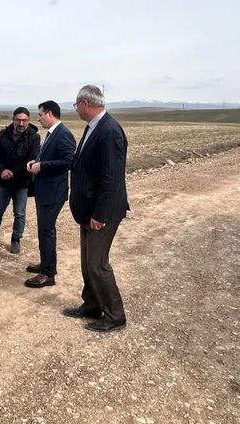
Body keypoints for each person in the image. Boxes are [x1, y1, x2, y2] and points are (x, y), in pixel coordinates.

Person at [65, 85, 130, 333]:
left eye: (76, 104)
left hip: (101, 213)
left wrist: (100, 215)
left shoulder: (109, 130)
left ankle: (115, 315)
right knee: (86, 262)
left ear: (85, 104)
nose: (76, 108)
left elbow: (111, 177)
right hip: (87, 210)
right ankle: (91, 304)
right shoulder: (93, 127)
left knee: (97, 264)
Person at [23, 100, 76, 288]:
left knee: (46, 231)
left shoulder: (63, 134)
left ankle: (48, 274)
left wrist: (42, 166)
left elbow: (69, 161)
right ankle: (45, 264)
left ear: (50, 114)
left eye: (40, 115)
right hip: (45, 191)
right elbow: (48, 157)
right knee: (43, 230)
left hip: (53, 192)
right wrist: (35, 162)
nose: (38, 119)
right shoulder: (52, 133)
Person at [0, 107, 40, 254]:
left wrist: (12, 172)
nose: (21, 123)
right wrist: (2, 170)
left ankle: (16, 239)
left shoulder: (34, 137)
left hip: (22, 183)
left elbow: (32, 159)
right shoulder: (3, 134)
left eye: (24, 120)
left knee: (19, 213)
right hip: (3, 182)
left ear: (28, 121)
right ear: (13, 120)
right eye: (18, 120)